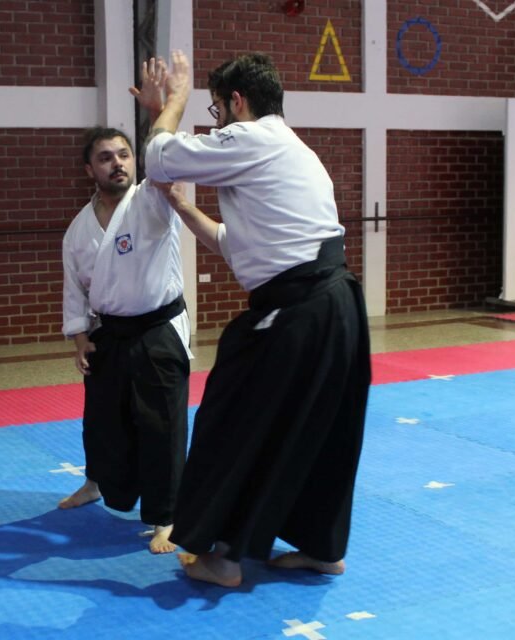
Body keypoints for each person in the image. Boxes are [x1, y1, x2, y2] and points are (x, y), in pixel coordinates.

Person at [142, 51, 371, 587]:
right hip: (334, 309)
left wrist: (171, 100)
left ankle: (225, 558)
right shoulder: (292, 149)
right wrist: (182, 208)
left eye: (216, 108)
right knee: (319, 432)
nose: (215, 119)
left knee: (236, 423)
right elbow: (235, 243)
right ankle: (322, 549)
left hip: (300, 312)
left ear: (236, 102)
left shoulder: (251, 139)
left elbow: (157, 156)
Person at [57, 62, 191, 554]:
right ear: (88, 169)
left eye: (124, 154)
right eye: (105, 157)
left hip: (158, 329)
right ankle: (96, 483)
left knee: (161, 423)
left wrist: (162, 112)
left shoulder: (152, 201)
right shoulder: (77, 230)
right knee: (103, 419)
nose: (118, 163)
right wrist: (79, 337)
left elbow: (165, 161)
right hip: (109, 332)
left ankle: (168, 515)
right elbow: (75, 289)